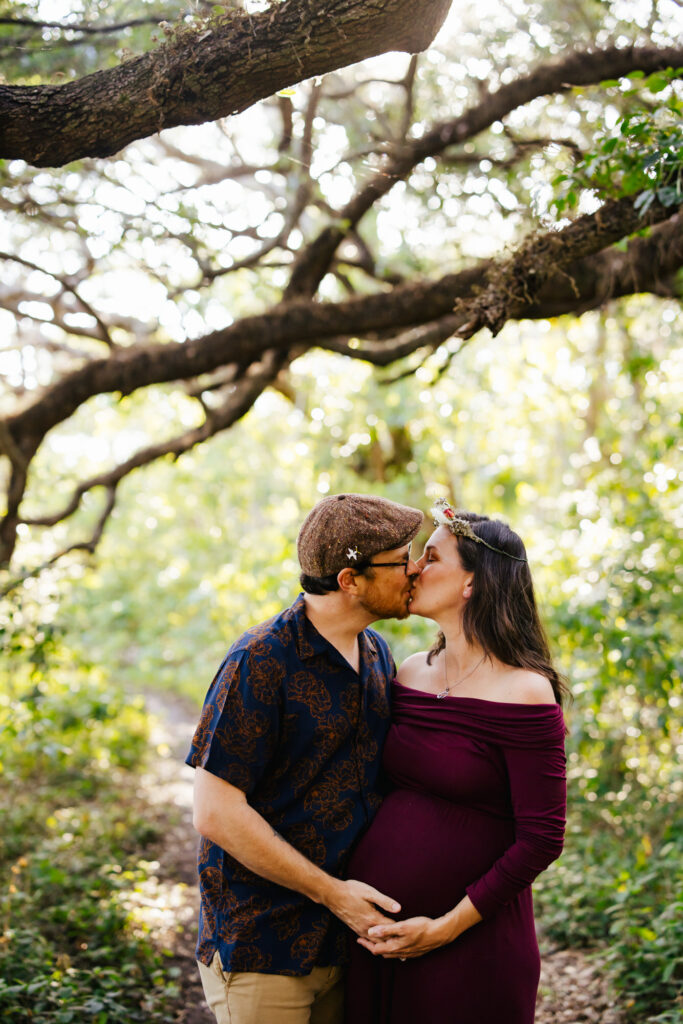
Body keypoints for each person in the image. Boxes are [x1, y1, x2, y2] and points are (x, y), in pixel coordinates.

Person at [185, 492, 424, 1024]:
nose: (415, 569)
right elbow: (215, 811)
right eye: (400, 559)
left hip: (346, 944)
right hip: (264, 944)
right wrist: (334, 895)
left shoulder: (377, 651)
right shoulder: (260, 661)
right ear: (349, 579)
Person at [345, 500, 568, 1024]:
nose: (413, 569)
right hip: (377, 939)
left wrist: (442, 928)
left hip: (470, 944)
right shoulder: (409, 672)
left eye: (431, 557)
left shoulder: (525, 691)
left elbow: (542, 837)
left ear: (472, 584)